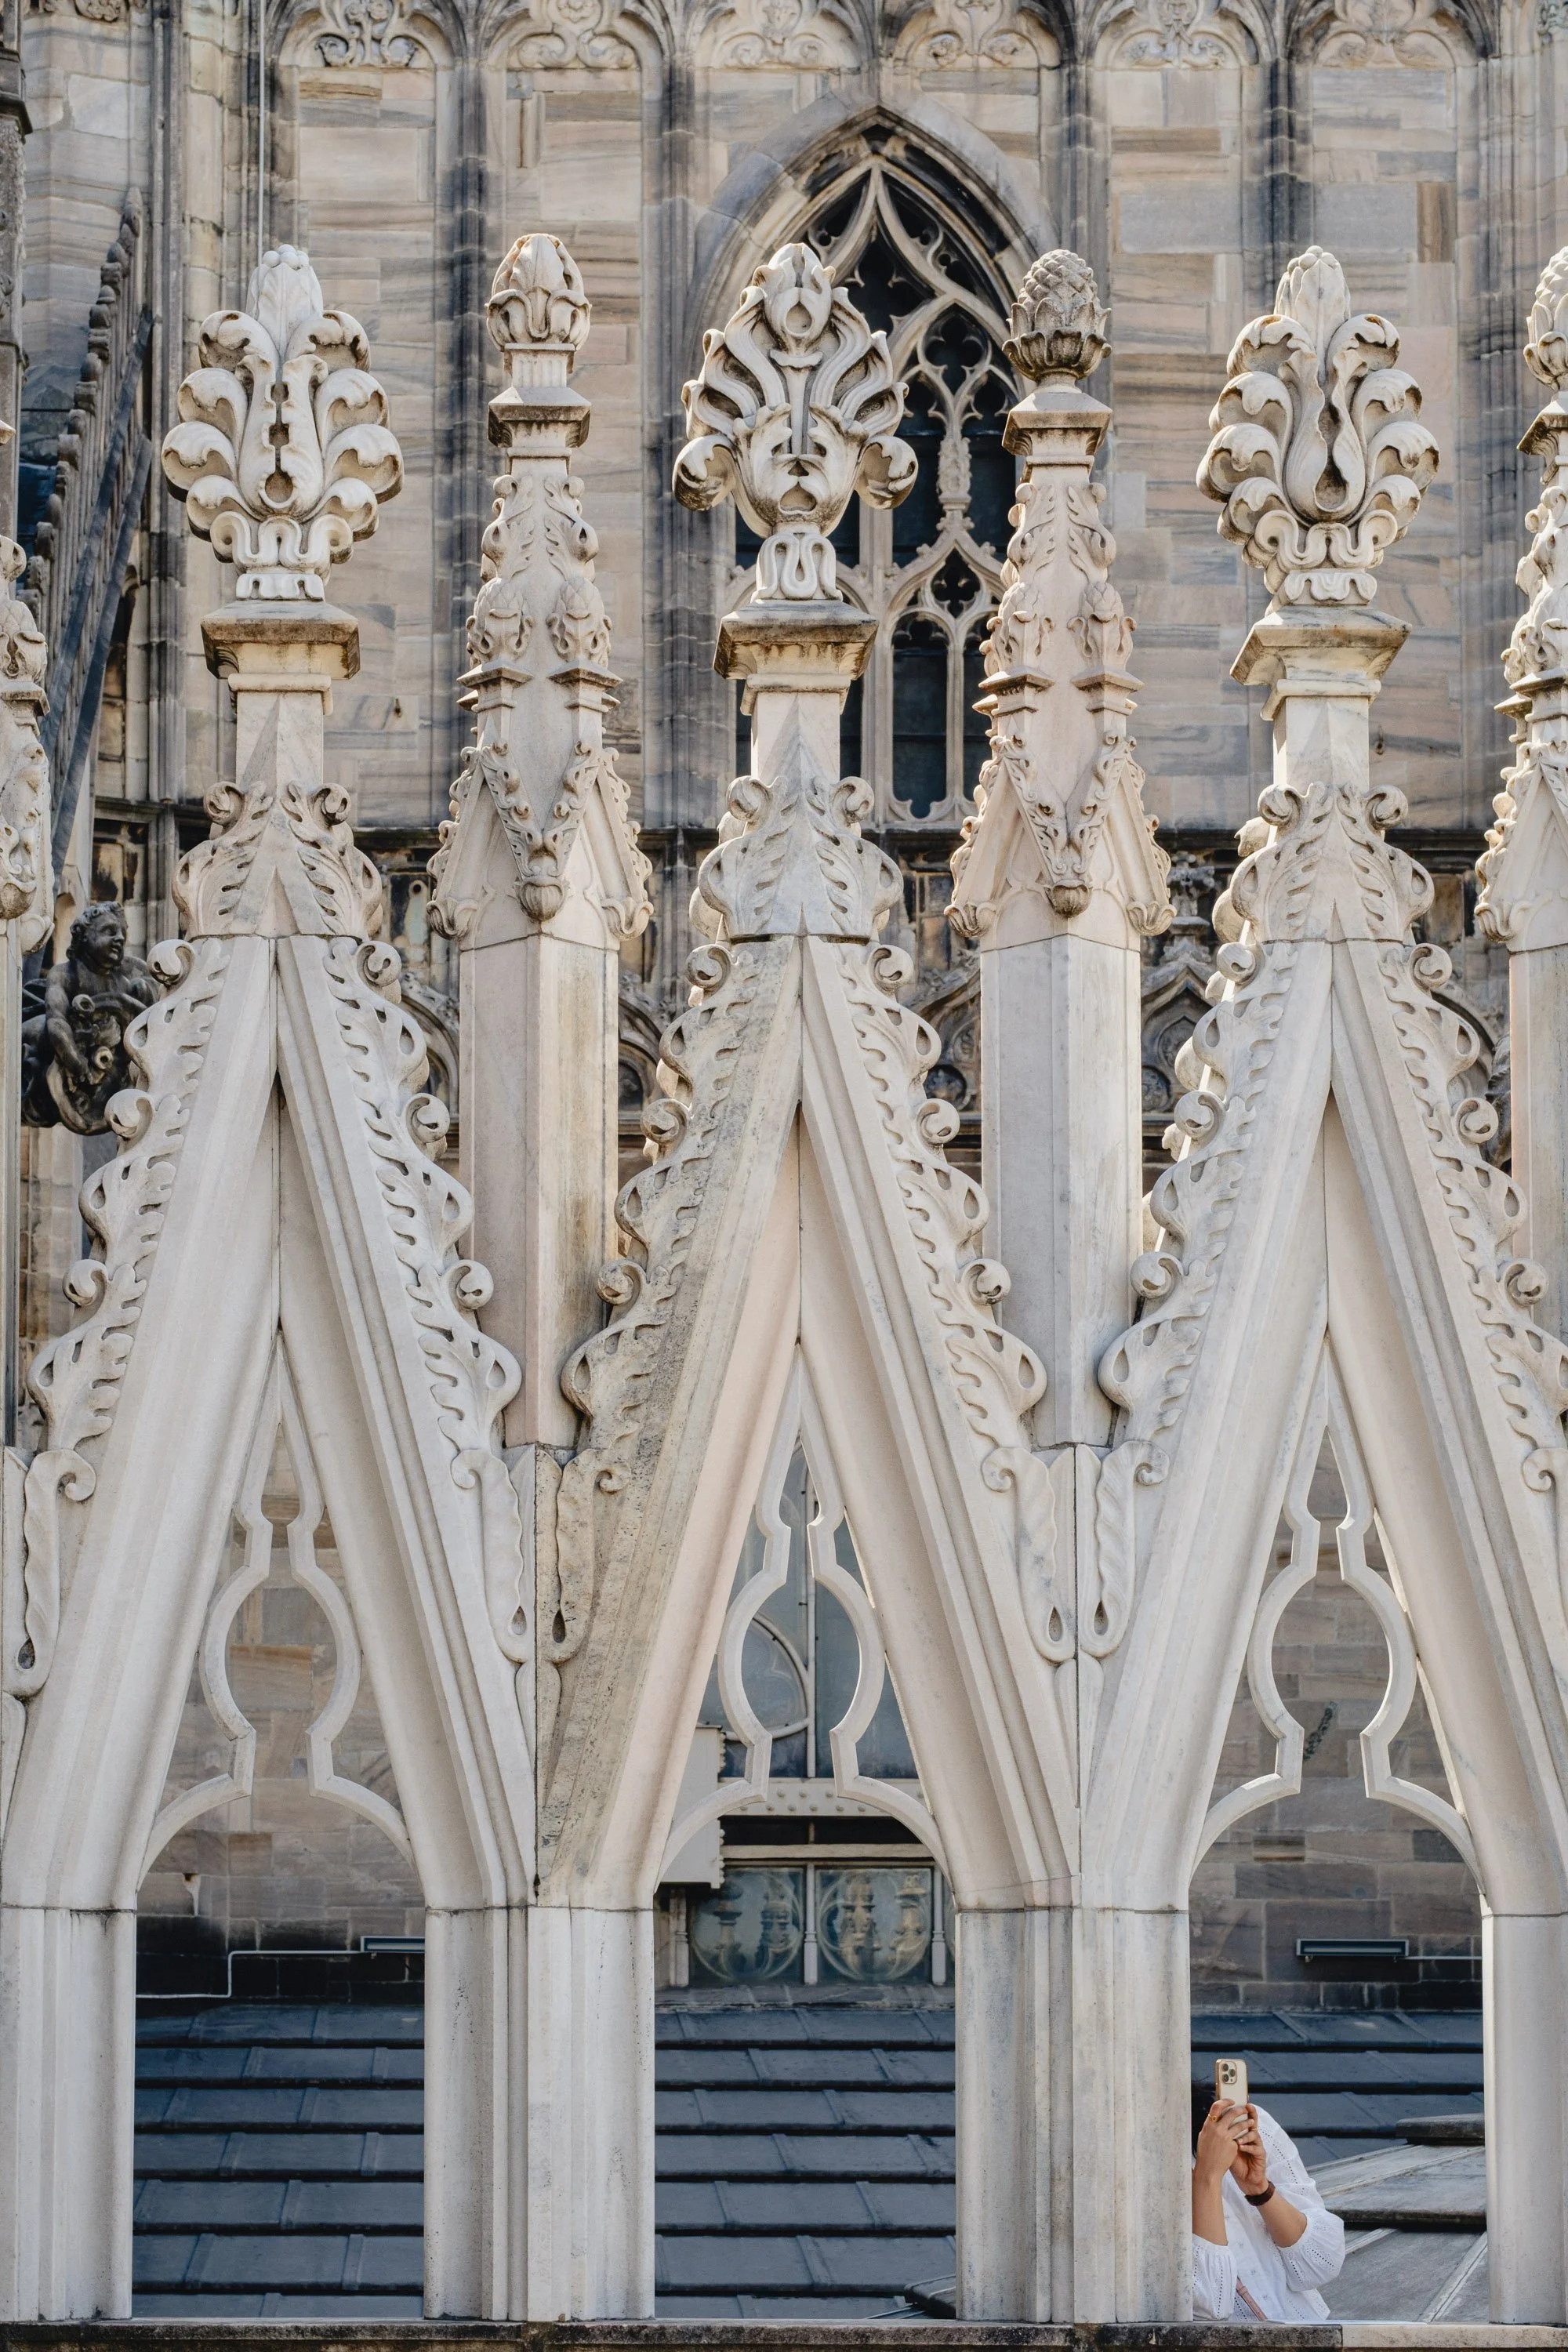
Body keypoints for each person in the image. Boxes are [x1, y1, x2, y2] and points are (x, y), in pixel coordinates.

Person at [1192, 2088, 1346, 2321]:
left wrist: (1260, 2190)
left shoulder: (1246, 2124)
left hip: (1304, 2335)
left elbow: (1322, 2263)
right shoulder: (1129, 2159)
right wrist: (1207, 2178)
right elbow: (1209, 2304)